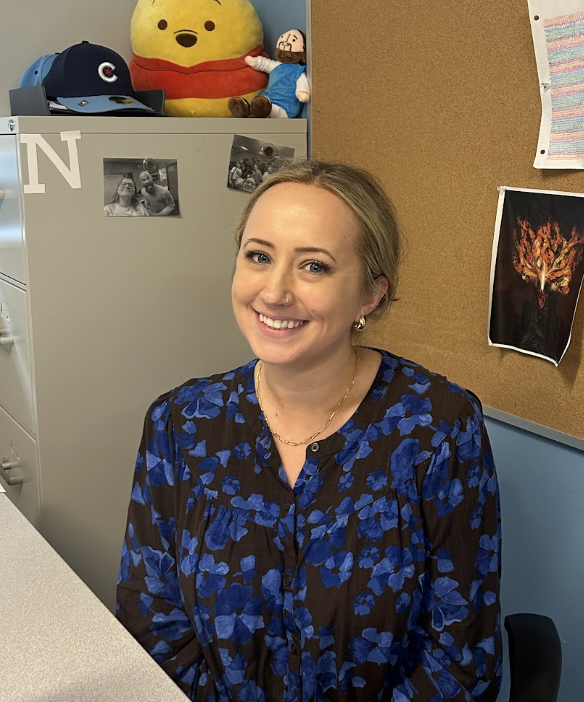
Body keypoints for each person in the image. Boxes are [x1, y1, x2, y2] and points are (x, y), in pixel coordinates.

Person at [116, 160, 502, 701]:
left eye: (314, 267)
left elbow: (461, 655)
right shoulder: (180, 424)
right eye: (258, 256)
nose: (273, 292)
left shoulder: (438, 428)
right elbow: (150, 619)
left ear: (370, 295)